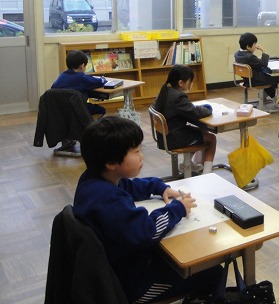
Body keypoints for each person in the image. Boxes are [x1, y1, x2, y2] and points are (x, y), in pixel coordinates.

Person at [73, 116, 223, 303]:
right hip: (134, 286)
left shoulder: (94, 181)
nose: (141, 156)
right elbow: (147, 232)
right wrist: (178, 208)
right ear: (111, 162)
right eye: (136, 151)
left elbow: (128, 186)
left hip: (123, 267)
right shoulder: (108, 200)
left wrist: (159, 187)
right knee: (213, 272)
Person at [153, 65, 217, 173]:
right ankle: (207, 174)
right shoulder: (179, 97)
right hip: (174, 139)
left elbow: (188, 110)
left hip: (163, 136)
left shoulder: (165, 91)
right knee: (211, 139)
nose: (191, 84)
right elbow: (195, 113)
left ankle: (187, 164)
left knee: (202, 132)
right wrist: (208, 109)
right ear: (181, 83)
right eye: (190, 81)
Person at [52, 49, 108, 116]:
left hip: (61, 111)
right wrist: (103, 78)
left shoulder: (61, 76)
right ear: (82, 66)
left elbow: (53, 88)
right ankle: (91, 123)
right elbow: (100, 82)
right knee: (101, 110)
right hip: (78, 110)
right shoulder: (82, 78)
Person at [234, 32, 279, 99]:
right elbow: (264, 64)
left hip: (247, 80)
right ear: (248, 47)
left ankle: (272, 98)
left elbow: (256, 63)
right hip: (256, 81)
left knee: (269, 80)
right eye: (254, 44)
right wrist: (263, 51)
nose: (255, 46)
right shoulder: (250, 57)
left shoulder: (237, 54)